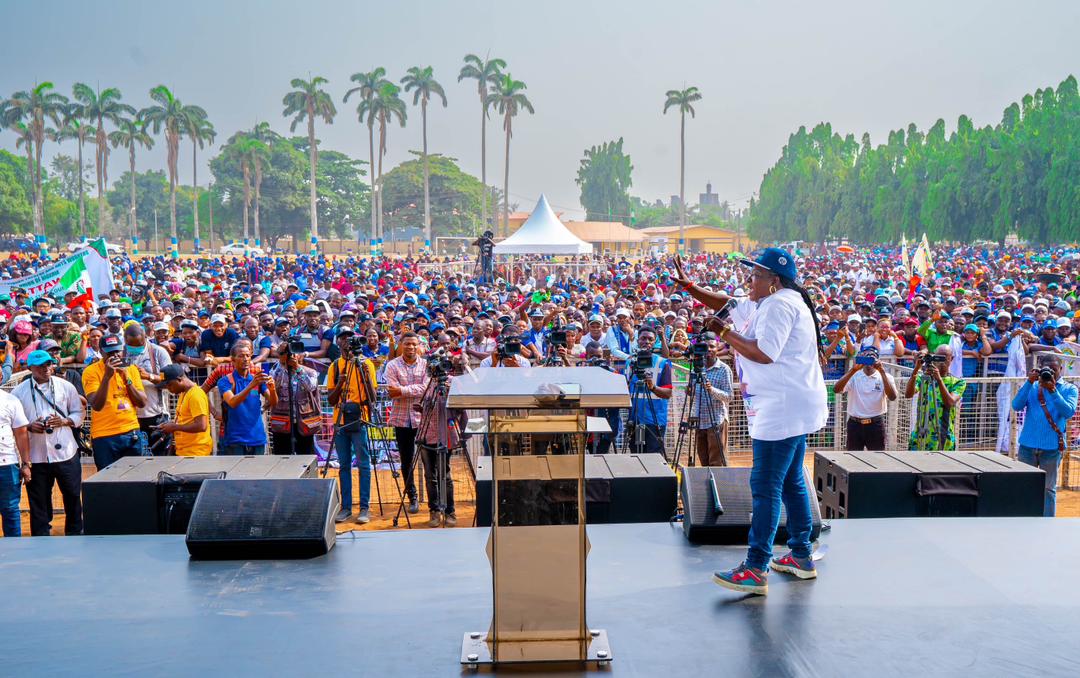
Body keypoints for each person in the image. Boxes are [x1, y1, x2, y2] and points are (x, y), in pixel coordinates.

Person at [674, 248, 827, 595]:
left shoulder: (778, 305)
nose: (749, 280)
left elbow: (764, 353)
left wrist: (724, 333)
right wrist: (692, 289)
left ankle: (756, 567)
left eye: (755, 275)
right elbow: (728, 302)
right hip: (793, 403)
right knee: (790, 480)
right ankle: (801, 555)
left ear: (774, 281)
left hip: (782, 407)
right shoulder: (773, 300)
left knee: (765, 485)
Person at [12, 350, 85, 536]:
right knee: (39, 502)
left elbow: (79, 413)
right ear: (30, 368)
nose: (46, 368)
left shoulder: (66, 386)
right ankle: (41, 540)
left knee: (73, 497)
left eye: (48, 364)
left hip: (66, 452)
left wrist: (65, 421)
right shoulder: (18, 392)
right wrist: (29, 426)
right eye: (40, 365)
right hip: (37, 455)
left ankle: (75, 535)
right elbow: (15, 423)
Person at [1011, 354, 1078, 516]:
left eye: (1054, 370)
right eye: (1046, 370)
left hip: (1052, 448)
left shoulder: (1070, 388)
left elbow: (1068, 412)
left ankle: (1047, 524)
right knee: (1025, 486)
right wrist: (1029, 382)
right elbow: (1016, 405)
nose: (1050, 373)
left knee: (1048, 489)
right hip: (1027, 446)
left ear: (1061, 369)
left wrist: (1053, 391)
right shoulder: (1033, 386)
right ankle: (1024, 520)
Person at [326, 328, 377, 523]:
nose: (348, 342)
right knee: (344, 465)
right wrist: (340, 384)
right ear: (338, 342)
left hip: (361, 418)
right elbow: (331, 400)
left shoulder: (367, 364)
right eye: (343, 338)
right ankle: (346, 507)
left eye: (351, 338)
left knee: (364, 465)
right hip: (340, 420)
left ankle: (364, 507)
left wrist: (364, 372)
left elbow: (372, 398)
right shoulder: (335, 367)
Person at [82, 334, 148, 470]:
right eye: (110, 352)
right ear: (101, 351)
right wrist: (107, 376)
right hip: (104, 436)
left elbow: (142, 403)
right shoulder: (91, 371)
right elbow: (97, 405)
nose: (115, 356)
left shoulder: (131, 369)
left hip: (131, 432)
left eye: (117, 351)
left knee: (134, 480)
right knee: (108, 483)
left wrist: (127, 380)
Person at [383, 333, 426, 515]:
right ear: (401, 345)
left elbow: (427, 388)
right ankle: (412, 497)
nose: (410, 347)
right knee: (406, 461)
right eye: (407, 344)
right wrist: (413, 390)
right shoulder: (392, 365)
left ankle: (434, 499)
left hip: (424, 419)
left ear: (418, 346)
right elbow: (391, 392)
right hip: (401, 419)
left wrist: (402, 390)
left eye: (413, 344)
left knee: (429, 459)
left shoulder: (426, 365)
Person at [218, 342, 277, 455]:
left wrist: (273, 389)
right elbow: (232, 402)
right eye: (241, 356)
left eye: (247, 356)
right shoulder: (225, 381)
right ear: (233, 360)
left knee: (258, 472)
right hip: (236, 440)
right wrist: (251, 385)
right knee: (237, 473)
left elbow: (273, 402)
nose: (245, 359)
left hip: (257, 438)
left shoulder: (258, 379)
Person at [833, 346, 897, 451]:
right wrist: (853, 370)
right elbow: (836, 389)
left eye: (872, 358)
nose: (869, 361)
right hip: (855, 424)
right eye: (866, 357)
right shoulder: (854, 376)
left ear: (878, 360)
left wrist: (882, 371)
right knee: (853, 458)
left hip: (875, 423)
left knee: (878, 458)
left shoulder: (886, 376)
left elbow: (892, 397)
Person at [904, 346, 966, 451]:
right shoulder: (923, 378)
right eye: (938, 357)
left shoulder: (957, 382)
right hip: (921, 434)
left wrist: (939, 380)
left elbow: (950, 402)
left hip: (943, 435)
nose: (941, 361)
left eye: (944, 357)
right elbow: (908, 394)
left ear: (951, 358)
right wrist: (916, 369)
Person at [624, 326, 673, 456]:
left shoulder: (663, 363)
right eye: (643, 338)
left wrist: (653, 387)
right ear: (637, 341)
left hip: (654, 419)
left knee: (654, 458)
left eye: (650, 339)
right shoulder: (630, 362)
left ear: (654, 341)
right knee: (635, 457)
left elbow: (668, 394)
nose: (646, 342)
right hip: (634, 419)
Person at [125, 324, 173, 456]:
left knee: (159, 457)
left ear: (145, 337)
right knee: (134, 459)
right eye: (131, 345)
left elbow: (169, 380)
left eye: (139, 344)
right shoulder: (120, 353)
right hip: (129, 417)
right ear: (125, 340)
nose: (135, 348)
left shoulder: (158, 352)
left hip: (156, 415)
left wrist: (149, 376)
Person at [267, 342, 321, 456]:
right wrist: (282, 366)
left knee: (306, 458)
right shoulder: (275, 371)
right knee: (281, 459)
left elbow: (310, 387)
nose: (286, 356)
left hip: (304, 423)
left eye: (287, 353)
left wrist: (297, 368)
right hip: (282, 423)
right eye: (282, 353)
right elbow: (273, 388)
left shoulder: (310, 372)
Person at [690, 333, 732, 466]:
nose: (709, 349)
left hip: (716, 420)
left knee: (717, 462)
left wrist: (711, 390)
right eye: (705, 347)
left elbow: (729, 396)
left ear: (717, 348)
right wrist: (689, 391)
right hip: (699, 420)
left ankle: (720, 487)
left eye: (712, 346)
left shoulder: (724, 369)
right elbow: (692, 393)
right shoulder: (696, 368)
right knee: (704, 461)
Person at [156, 364, 212, 457]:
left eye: (170, 385)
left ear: (179, 379)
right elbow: (185, 420)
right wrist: (170, 426)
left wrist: (174, 427)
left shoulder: (195, 395)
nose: (169, 389)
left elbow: (202, 426)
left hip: (196, 453)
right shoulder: (184, 393)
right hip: (185, 452)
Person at [0, 383, 30, 537]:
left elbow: (21, 433)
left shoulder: (10, 400)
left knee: (10, 509)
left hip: (7, 464)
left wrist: (25, 464)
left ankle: (15, 550)